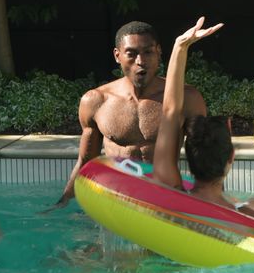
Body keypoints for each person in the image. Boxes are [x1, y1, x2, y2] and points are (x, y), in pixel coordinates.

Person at [154, 18, 254, 251]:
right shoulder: (252, 211)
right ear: (231, 157)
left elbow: (170, 110)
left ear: (188, 156)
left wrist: (180, 47)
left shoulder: (170, 192)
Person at [54, 21, 207, 207]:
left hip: (164, 200)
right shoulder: (96, 101)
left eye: (148, 52)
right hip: (116, 202)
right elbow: (86, 162)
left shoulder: (188, 98)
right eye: (131, 53)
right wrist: (63, 204)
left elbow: (203, 161)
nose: (141, 61)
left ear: (159, 52)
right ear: (117, 56)